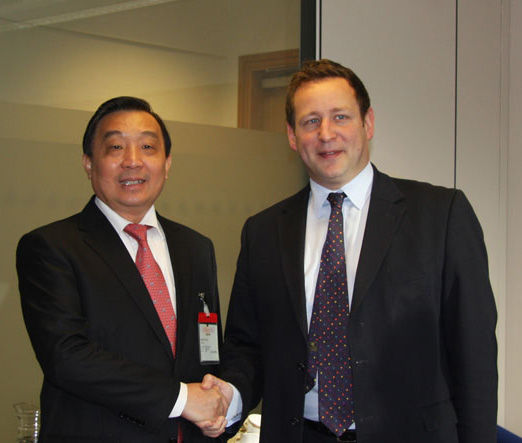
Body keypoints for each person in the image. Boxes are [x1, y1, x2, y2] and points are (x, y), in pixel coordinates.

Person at [206, 59, 498, 442]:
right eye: (311, 121)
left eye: (340, 117)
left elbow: (474, 355)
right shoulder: (263, 232)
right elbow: (247, 346)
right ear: (292, 136)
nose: (326, 134)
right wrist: (231, 394)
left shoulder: (440, 216)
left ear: (368, 123)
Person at [16, 97, 229, 442]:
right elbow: (66, 357)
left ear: (167, 163)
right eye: (115, 147)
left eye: (148, 147)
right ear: (88, 163)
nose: (133, 161)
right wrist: (181, 399)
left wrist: (216, 404)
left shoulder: (196, 248)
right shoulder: (51, 247)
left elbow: (207, 345)